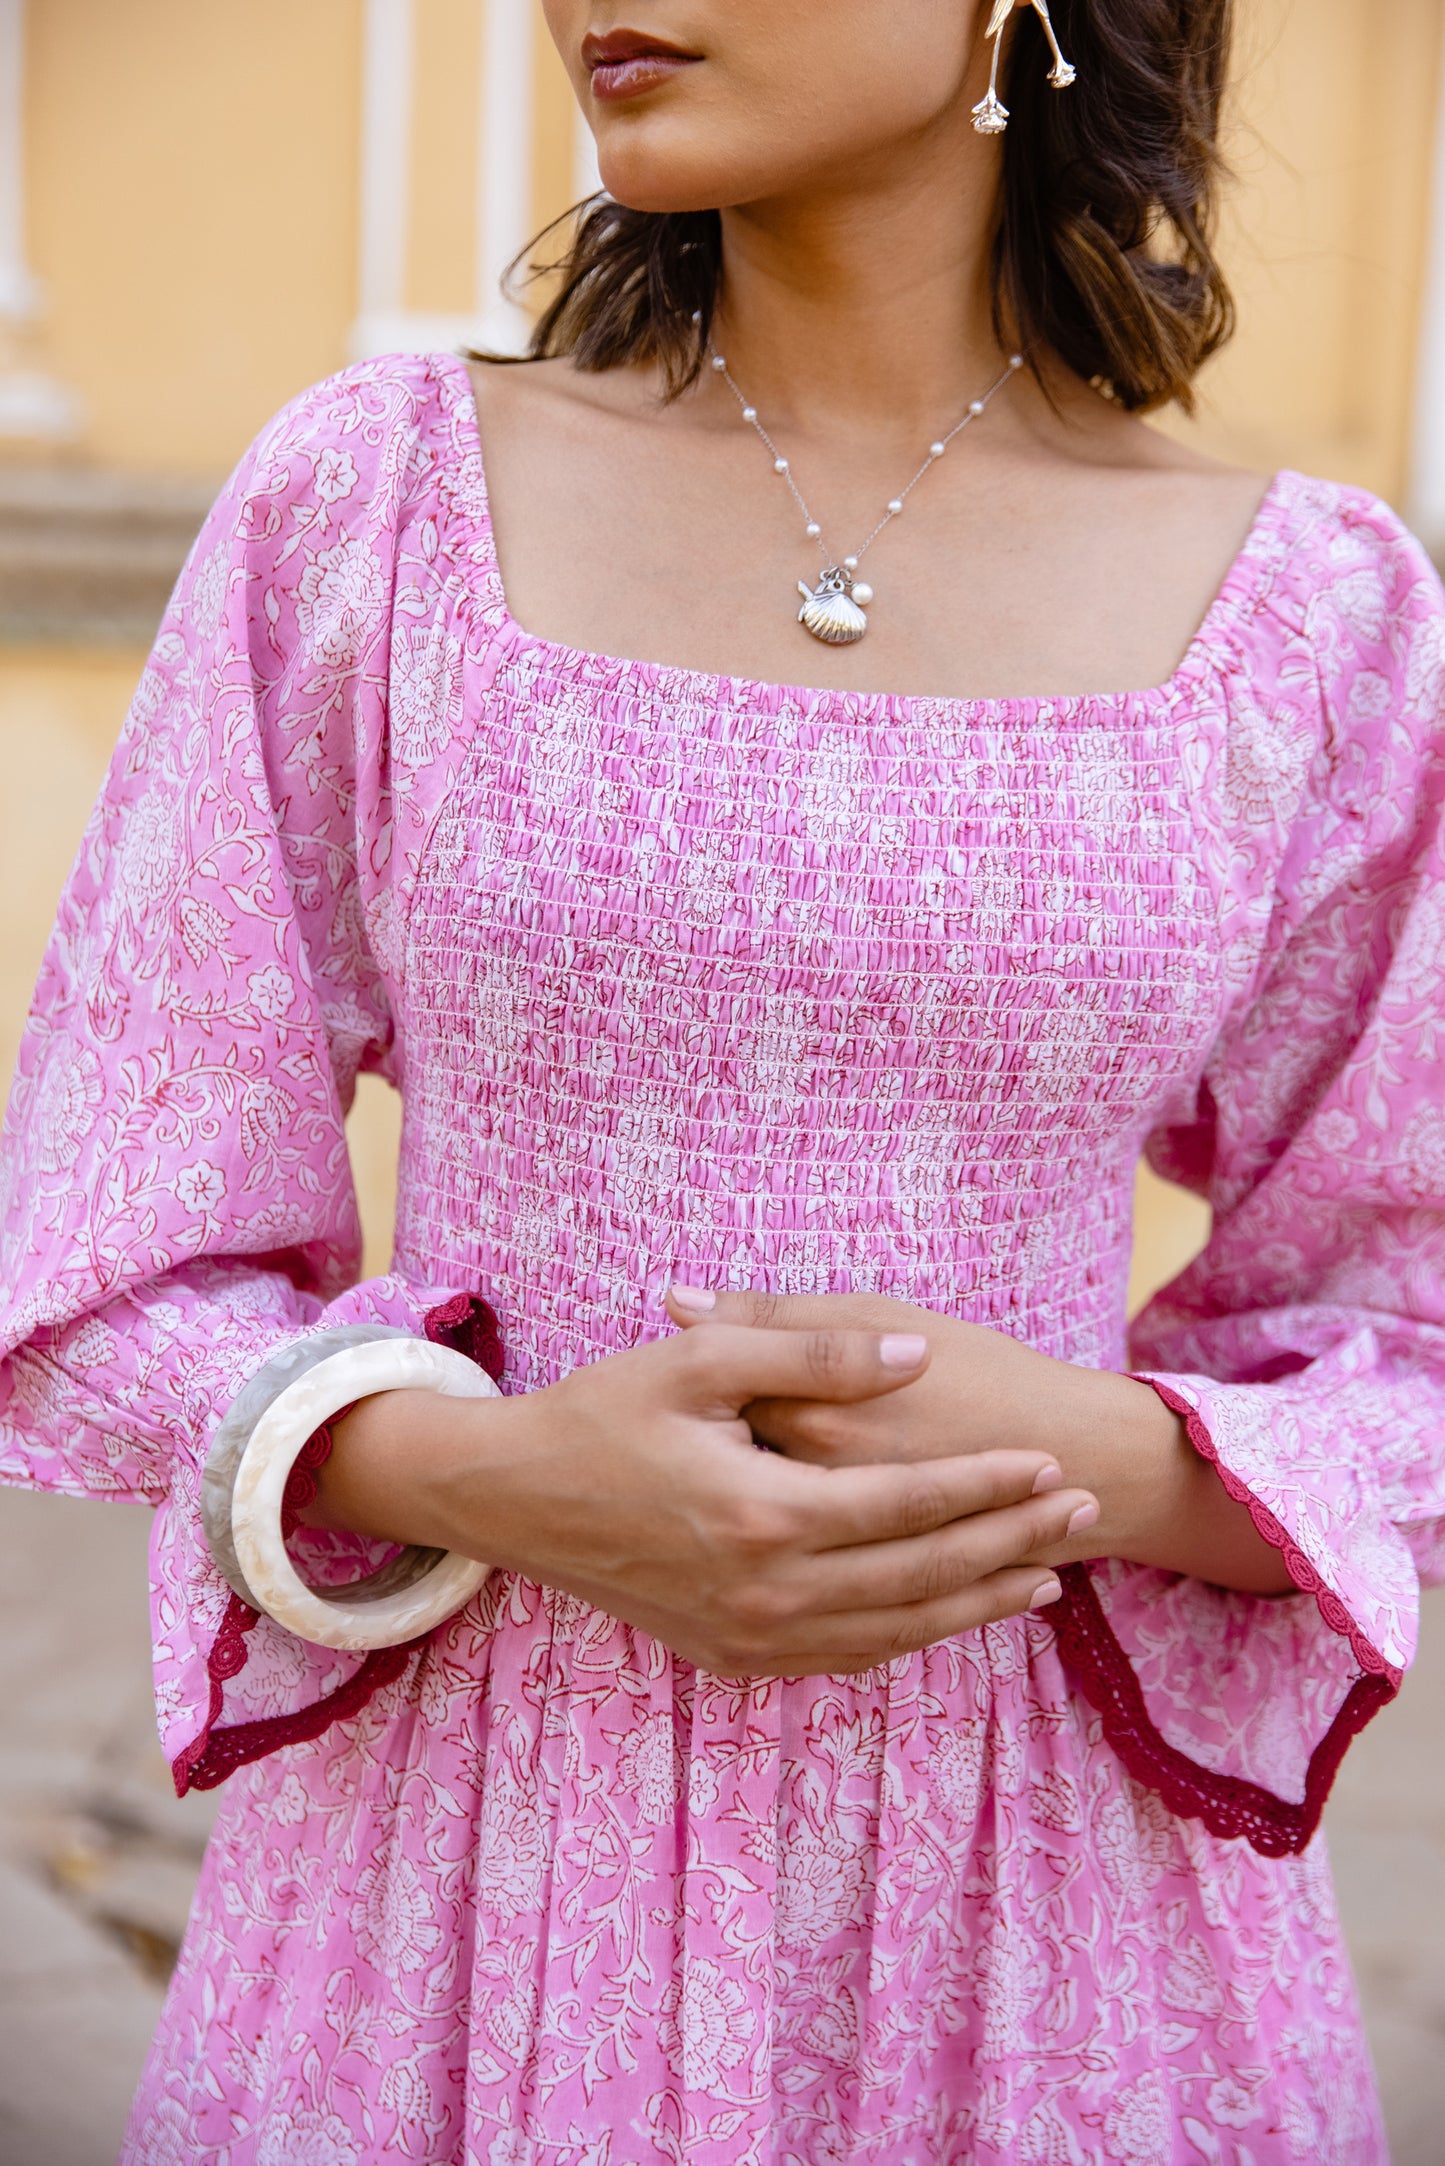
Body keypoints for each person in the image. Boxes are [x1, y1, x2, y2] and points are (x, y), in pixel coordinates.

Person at [1, 1, 1440, 2158]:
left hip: (1061, 1941)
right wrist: (484, 1477)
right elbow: (103, 1259)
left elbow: (1413, 1321)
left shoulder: (1317, 618)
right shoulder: (372, 509)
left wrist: (1097, 1467)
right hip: (452, 1888)